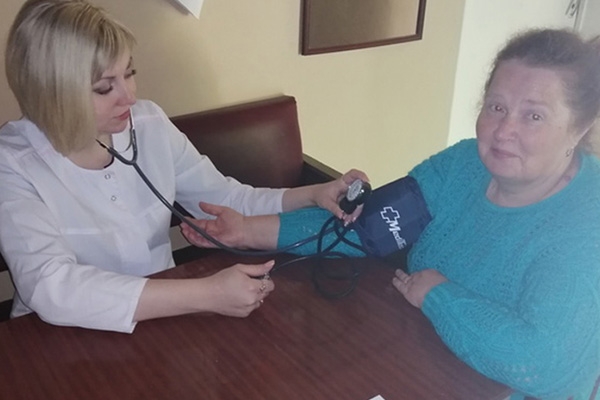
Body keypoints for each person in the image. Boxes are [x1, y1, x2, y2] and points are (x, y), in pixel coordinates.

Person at [182, 29, 600, 399]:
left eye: (533, 116)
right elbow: (369, 229)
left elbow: (545, 367)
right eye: (496, 107)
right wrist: (246, 231)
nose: (504, 130)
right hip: (423, 361)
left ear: (578, 128)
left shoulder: (587, 224)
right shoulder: (462, 165)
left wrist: (438, 294)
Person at [0, 0, 367, 333]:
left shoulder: (148, 124)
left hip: (162, 321)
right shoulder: (12, 161)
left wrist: (312, 194)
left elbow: (225, 199)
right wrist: (208, 294)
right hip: (52, 340)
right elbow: (51, 286)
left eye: (129, 72)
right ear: (52, 91)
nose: (129, 96)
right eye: (104, 87)